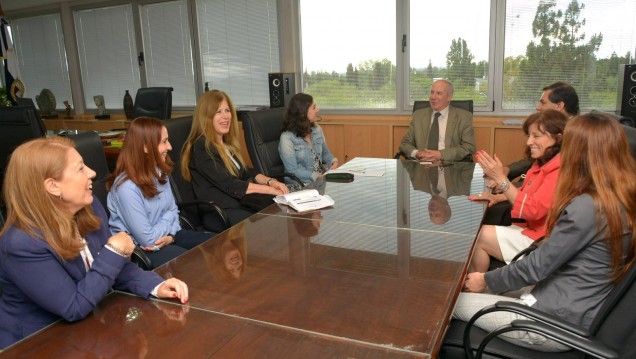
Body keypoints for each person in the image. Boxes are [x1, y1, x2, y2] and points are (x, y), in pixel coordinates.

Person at [454, 112, 636, 351]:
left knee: (450, 303)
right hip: (569, 303)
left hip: (551, 323)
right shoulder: (620, 194)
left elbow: (537, 266)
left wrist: (485, 280)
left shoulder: (588, 207)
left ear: (580, 152)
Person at [0, 137, 188, 349]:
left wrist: (155, 285)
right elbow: (73, 306)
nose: (92, 173)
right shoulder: (21, 244)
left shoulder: (88, 207)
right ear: (53, 186)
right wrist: (114, 250)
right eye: (80, 169)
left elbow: (117, 268)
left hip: (90, 329)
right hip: (40, 344)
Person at [468, 110, 567, 273]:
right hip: (530, 229)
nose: (529, 142)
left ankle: (476, 284)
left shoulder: (561, 169)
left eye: (536, 136)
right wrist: (498, 197)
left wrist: (501, 179)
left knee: (480, 235)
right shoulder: (543, 162)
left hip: (543, 240)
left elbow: (532, 210)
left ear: (558, 137)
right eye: (528, 136)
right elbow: (531, 191)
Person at [107, 117, 214, 268]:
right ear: (146, 147)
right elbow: (148, 240)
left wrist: (170, 236)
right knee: (191, 264)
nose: (169, 147)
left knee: (218, 243)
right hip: (141, 251)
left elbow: (174, 210)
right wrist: (168, 223)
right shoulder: (126, 188)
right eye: (164, 141)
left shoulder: (160, 171)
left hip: (168, 236)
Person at [181, 90, 289, 226]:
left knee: (281, 212)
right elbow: (230, 184)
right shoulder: (202, 147)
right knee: (266, 225)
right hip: (220, 211)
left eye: (227, 110)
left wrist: (271, 182)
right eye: (218, 112)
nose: (225, 116)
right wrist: (271, 191)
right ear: (206, 117)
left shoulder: (225, 144)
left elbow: (245, 172)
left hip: (239, 203)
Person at [399, 79, 476, 162]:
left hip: (449, 166)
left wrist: (441, 155)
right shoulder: (418, 116)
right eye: (432, 92)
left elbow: (469, 147)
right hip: (422, 166)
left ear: (449, 97)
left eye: (439, 93)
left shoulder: (463, 117)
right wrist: (417, 153)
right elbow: (405, 144)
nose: (433, 97)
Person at [279, 93, 339, 187]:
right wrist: (316, 176)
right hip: (300, 185)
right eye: (314, 107)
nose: (318, 110)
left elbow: (326, 153)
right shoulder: (286, 138)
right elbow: (292, 171)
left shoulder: (317, 129)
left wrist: (333, 162)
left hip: (319, 181)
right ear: (303, 112)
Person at [402, 160, 475, 225]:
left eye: (430, 214)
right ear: (447, 208)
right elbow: (468, 162)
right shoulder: (461, 187)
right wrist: (442, 161)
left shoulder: (418, 184)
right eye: (437, 214)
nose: (432, 211)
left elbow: (406, 160)